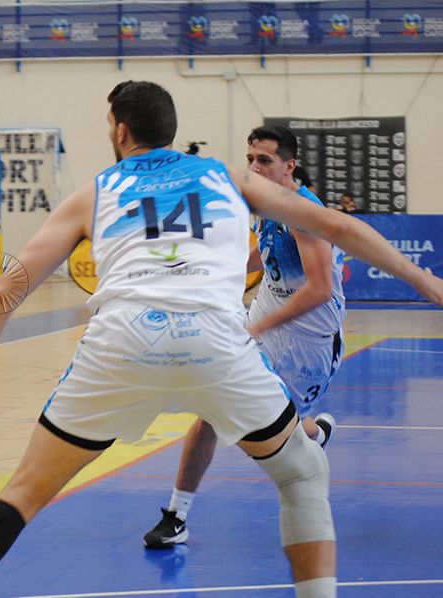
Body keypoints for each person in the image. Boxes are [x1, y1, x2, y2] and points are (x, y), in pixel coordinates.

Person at [0, 81, 443, 598]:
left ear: (120, 131)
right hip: (214, 343)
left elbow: (5, 289)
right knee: (303, 474)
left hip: (120, 345)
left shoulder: (94, 192)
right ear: (171, 130)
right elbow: (338, 227)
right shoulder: (227, 177)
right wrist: (421, 279)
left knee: (21, 493)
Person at [142, 124, 346, 549]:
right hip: (265, 318)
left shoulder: (306, 213)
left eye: (264, 161)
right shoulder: (264, 202)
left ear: (289, 166)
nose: (254, 167)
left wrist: (257, 326)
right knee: (212, 409)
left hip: (308, 342)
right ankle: (177, 515)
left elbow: (319, 289)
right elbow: (266, 253)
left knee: (276, 432)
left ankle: (312, 435)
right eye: (250, 158)